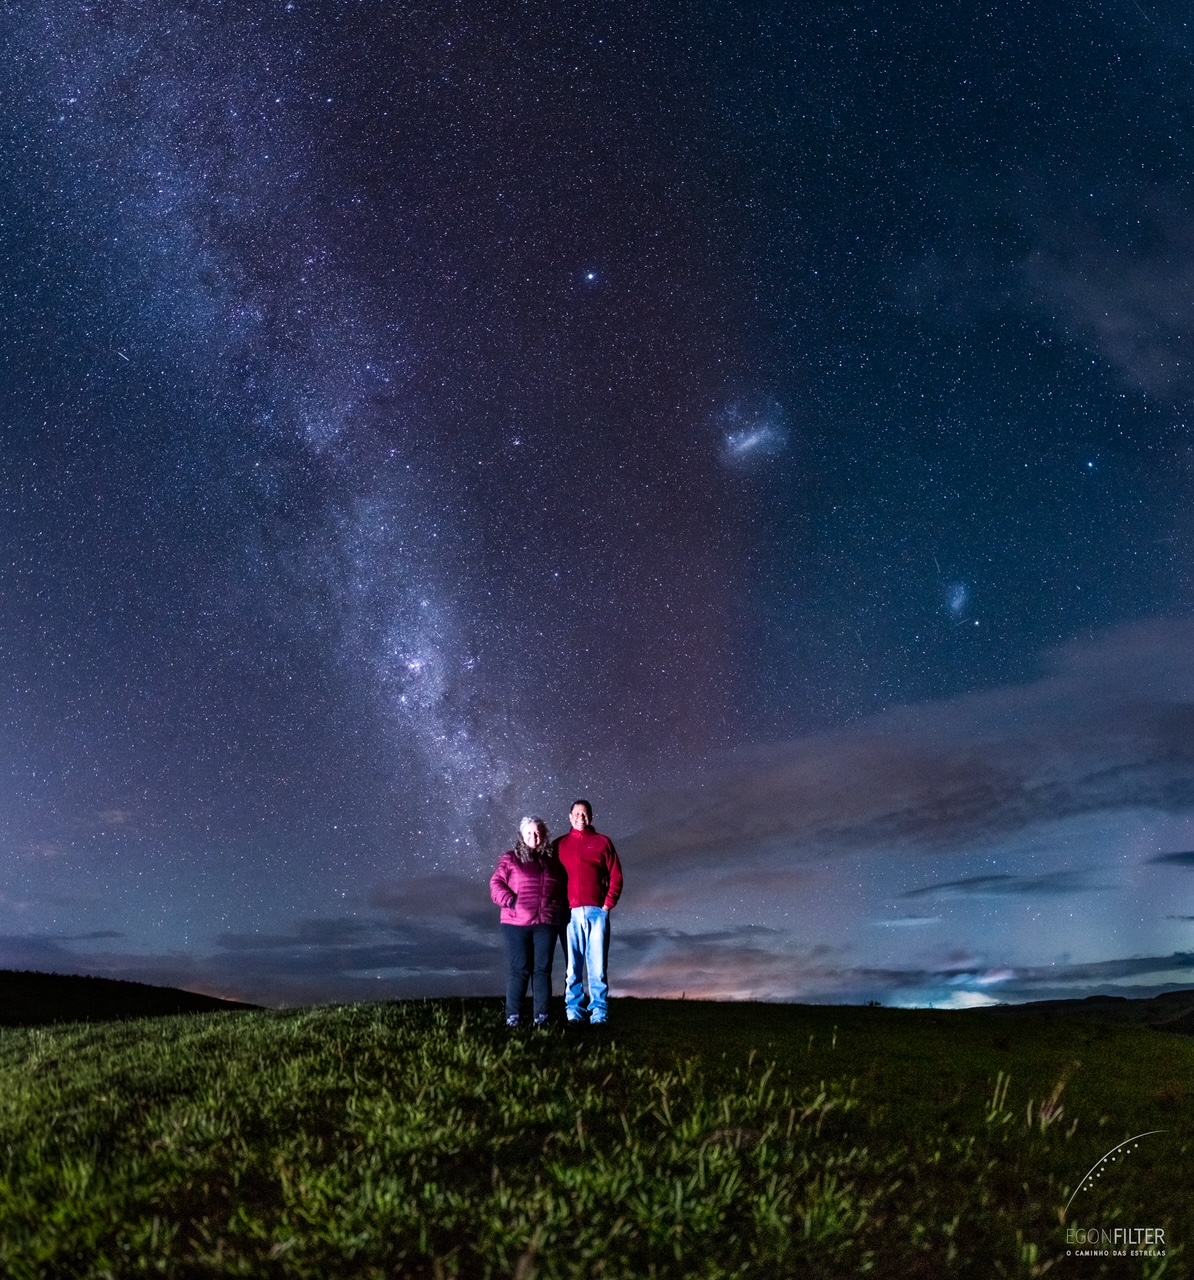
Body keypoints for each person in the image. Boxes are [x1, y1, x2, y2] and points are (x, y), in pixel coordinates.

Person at [489, 816, 569, 1028]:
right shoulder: (511, 858)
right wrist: (512, 901)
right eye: (529, 833)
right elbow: (496, 883)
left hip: (546, 923)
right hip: (516, 924)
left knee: (542, 970)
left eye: (538, 832)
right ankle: (513, 1017)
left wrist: (559, 911)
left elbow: (561, 889)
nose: (534, 837)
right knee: (520, 970)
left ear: (543, 835)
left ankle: (541, 1017)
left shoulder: (552, 861)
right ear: (522, 836)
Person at [555, 799, 623, 1025]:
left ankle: (599, 1013)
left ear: (591, 817)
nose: (580, 818)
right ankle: (574, 1011)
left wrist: (607, 905)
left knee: (597, 966)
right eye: (576, 814)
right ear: (569, 817)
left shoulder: (602, 842)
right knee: (573, 967)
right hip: (569, 914)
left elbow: (616, 875)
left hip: (597, 912)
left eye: (585, 814)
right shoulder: (559, 845)